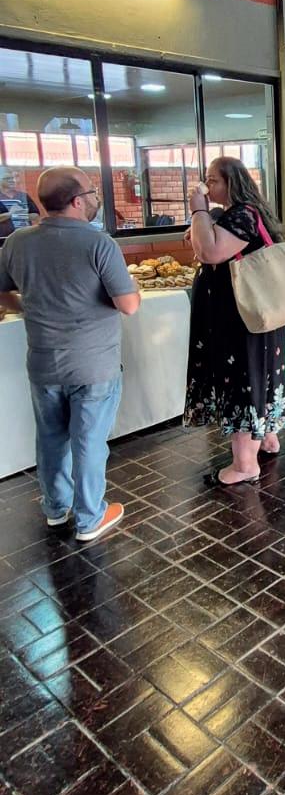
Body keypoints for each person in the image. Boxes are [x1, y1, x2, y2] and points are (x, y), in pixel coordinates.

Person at [0, 167, 139, 539]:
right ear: (78, 201)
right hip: (93, 365)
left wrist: (29, 307)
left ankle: (56, 508)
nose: (95, 197)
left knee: (50, 438)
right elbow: (128, 305)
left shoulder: (17, 242)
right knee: (88, 442)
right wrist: (133, 288)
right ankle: (90, 517)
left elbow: (2, 292)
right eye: (92, 191)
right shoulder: (99, 243)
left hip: (43, 362)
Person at [185, 158, 285, 485]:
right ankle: (267, 438)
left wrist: (198, 210)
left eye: (213, 180)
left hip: (242, 322)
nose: (207, 185)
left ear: (232, 183)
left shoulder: (242, 215)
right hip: (254, 317)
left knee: (244, 381)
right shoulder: (241, 213)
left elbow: (210, 252)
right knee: (261, 377)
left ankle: (245, 465)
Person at [0, 169, 40, 238]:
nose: (12, 180)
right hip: (3, 238)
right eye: (7, 178)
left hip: (24, 236)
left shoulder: (23, 196)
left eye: (12, 178)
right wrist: (11, 213)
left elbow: (35, 215)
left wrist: (18, 215)